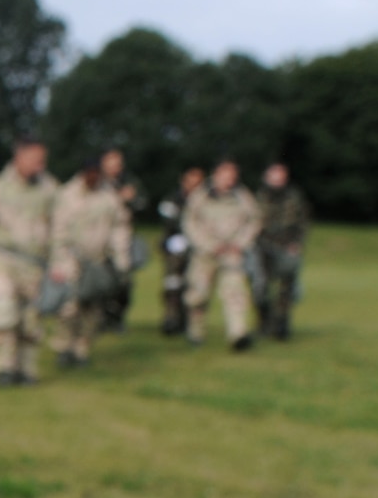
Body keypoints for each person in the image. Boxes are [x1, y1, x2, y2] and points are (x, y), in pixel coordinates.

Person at [0, 135, 59, 387]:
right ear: (20, 157)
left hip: (36, 264)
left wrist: (60, 263)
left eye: (43, 160)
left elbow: (60, 229)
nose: (40, 165)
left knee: (31, 319)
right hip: (3, 260)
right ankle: (4, 367)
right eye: (36, 159)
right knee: (3, 311)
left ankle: (27, 369)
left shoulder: (49, 189)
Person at [48, 157, 132, 370]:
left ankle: (82, 348)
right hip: (71, 258)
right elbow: (58, 229)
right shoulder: (67, 195)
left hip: (98, 259)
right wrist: (59, 260)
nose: (94, 178)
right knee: (69, 306)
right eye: (90, 174)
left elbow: (119, 226)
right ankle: (64, 346)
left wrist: (121, 258)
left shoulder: (109, 196)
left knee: (93, 308)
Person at [182, 158, 262, 351]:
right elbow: (190, 223)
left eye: (233, 174)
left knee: (234, 292)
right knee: (198, 295)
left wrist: (240, 243)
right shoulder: (200, 196)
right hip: (205, 254)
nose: (229, 178)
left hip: (231, 253)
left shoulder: (243, 197)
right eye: (225, 174)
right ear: (215, 175)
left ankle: (238, 334)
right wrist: (207, 245)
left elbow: (254, 221)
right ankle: (196, 331)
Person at [253, 162, 310, 340]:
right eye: (274, 177)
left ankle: (282, 324)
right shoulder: (257, 198)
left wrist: (297, 243)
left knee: (287, 287)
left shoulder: (294, 197)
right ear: (266, 177)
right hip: (262, 247)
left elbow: (303, 222)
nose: (278, 181)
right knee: (260, 286)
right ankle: (264, 321)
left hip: (286, 246)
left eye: (281, 177)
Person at [97, 147, 145, 331]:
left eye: (118, 163)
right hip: (98, 235)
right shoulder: (95, 182)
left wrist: (131, 199)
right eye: (111, 162)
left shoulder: (129, 182)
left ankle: (117, 316)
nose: (115, 167)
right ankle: (100, 317)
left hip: (122, 236)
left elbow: (142, 204)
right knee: (100, 278)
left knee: (123, 279)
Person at [155, 167, 204, 336]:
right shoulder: (172, 200)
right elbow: (169, 221)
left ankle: (189, 321)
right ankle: (171, 317)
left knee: (194, 285)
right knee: (173, 282)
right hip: (176, 243)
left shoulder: (204, 201)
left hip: (199, 246)